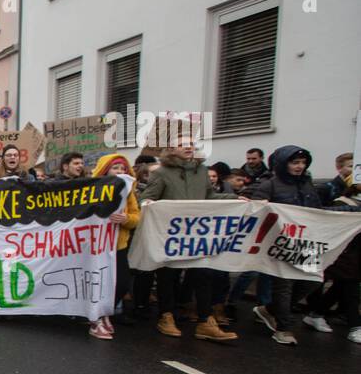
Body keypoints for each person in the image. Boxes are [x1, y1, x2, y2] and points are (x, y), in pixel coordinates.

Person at [139, 141, 236, 342]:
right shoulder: (162, 172)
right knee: (168, 275)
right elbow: (147, 197)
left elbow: (210, 197)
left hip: (196, 234)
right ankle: (166, 316)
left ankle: (205, 321)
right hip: (170, 234)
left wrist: (235, 199)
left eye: (191, 143)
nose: (188, 147)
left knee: (203, 274)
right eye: (182, 143)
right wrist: (148, 203)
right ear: (171, 149)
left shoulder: (201, 171)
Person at [248, 145, 324, 346]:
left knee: (312, 280)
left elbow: (317, 211)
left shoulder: (307, 185)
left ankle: (270, 310)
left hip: (304, 242)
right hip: (279, 243)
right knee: (285, 285)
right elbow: (256, 211)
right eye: (295, 162)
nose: (300, 166)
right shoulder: (269, 185)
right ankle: (284, 327)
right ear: (283, 164)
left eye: (302, 162)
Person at [86, 155, 141, 340]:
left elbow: (136, 217)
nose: (120, 172)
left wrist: (126, 220)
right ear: (105, 170)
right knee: (98, 283)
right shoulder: (92, 189)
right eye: (115, 168)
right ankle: (96, 320)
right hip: (97, 246)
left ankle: (105, 313)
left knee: (122, 282)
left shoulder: (128, 192)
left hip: (118, 246)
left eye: (123, 168)